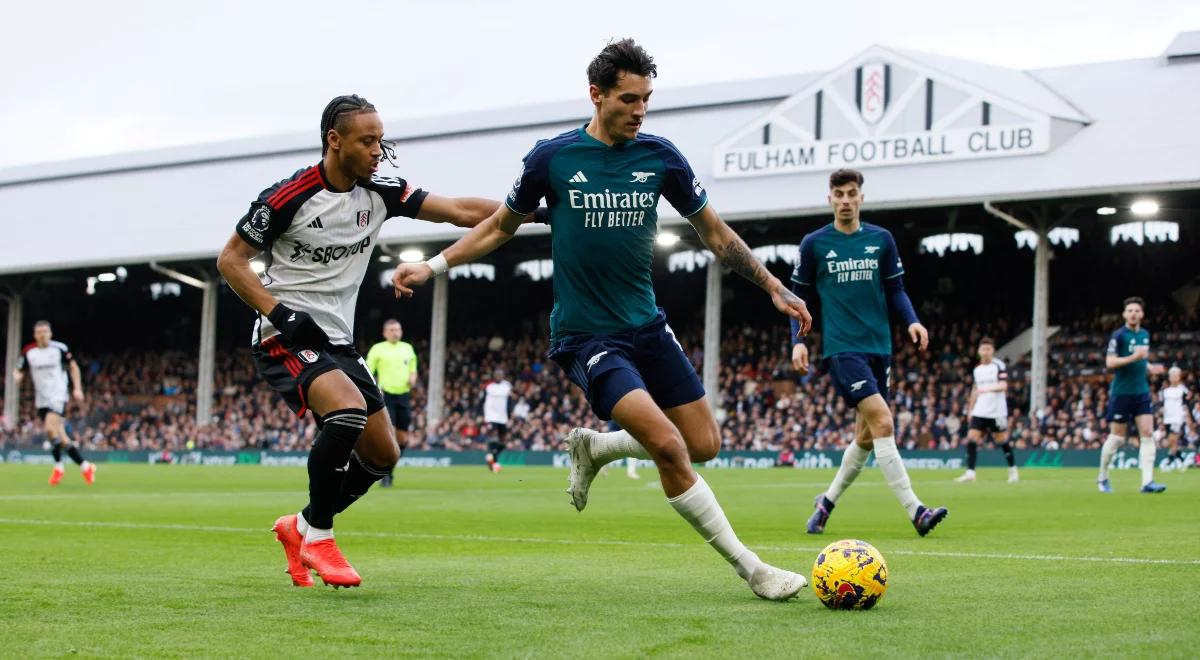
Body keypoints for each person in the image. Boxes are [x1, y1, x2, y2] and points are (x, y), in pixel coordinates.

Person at [394, 39, 813, 601]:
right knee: (666, 444)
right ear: (596, 95)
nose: (640, 110)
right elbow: (499, 226)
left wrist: (773, 287)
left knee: (703, 442)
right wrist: (435, 265)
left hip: (648, 326)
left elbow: (715, 234)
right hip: (587, 336)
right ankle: (753, 569)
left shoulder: (661, 158)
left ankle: (599, 447)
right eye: (628, 98)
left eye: (646, 99)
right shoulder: (552, 159)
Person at [216, 93, 500, 588]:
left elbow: (457, 209)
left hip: (340, 343)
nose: (377, 151)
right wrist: (278, 312)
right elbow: (230, 261)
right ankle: (320, 538)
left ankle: (299, 526)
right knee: (346, 412)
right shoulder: (288, 197)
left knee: (383, 455)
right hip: (286, 334)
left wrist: (534, 212)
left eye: (380, 140)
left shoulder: (382, 191)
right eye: (367, 141)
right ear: (335, 140)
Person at [791, 168, 948, 537]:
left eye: (851, 193)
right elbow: (797, 299)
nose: (845, 200)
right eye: (839, 194)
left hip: (880, 347)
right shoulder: (814, 243)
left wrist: (912, 320)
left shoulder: (882, 240)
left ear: (861, 197)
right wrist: (797, 341)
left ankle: (825, 503)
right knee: (883, 422)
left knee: (865, 436)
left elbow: (896, 289)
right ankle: (917, 511)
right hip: (842, 349)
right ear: (829, 198)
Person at [1096, 297, 1167, 493]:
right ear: (1124, 314)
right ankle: (1102, 477)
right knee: (1117, 438)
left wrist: (1150, 367)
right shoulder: (1118, 336)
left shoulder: (1145, 334)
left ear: (1142, 314)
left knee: (1147, 434)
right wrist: (1134, 357)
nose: (1134, 313)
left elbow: (1142, 362)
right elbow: (1110, 362)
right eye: (1130, 310)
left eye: (1137, 310)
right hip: (1122, 392)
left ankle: (1147, 482)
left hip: (1141, 392)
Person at [12, 321, 95, 486]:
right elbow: (18, 368)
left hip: (58, 395)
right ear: (35, 335)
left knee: (50, 429)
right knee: (62, 438)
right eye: (39, 332)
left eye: (45, 331)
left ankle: (58, 468)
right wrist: (17, 376)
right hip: (41, 398)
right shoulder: (29, 352)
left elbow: (73, 367)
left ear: (50, 333)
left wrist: (77, 388)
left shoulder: (59, 349)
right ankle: (86, 466)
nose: (42, 335)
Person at [955, 337, 1018, 483]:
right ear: (979, 351)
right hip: (980, 410)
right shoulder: (977, 370)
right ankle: (970, 473)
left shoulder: (999, 366)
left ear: (993, 351)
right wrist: (970, 410)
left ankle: (1012, 469)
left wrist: (986, 389)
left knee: (1001, 440)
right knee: (971, 438)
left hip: (997, 411)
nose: (986, 352)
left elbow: (1003, 386)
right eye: (983, 349)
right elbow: (975, 389)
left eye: (988, 349)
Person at [365, 319, 417, 487]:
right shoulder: (377, 349)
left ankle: (389, 469)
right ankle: (385, 473)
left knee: (403, 439)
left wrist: (413, 377)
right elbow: (367, 371)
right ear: (385, 332)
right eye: (392, 329)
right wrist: (374, 389)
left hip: (404, 396)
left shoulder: (407, 348)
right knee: (390, 435)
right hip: (385, 395)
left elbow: (413, 368)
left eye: (398, 329)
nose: (395, 332)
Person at [482, 368, 512, 472]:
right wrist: (480, 414)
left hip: (502, 418)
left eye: (501, 375)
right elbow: (482, 401)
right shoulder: (489, 387)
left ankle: (492, 456)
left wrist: (509, 416)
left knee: (503, 443)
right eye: (497, 375)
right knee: (493, 438)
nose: (499, 376)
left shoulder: (506, 386)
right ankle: (494, 462)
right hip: (491, 417)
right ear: (494, 376)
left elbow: (509, 401)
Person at [1160, 367, 1190, 471]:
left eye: (1176, 376)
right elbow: (1162, 405)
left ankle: (1168, 463)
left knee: (1173, 440)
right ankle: (1182, 461)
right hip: (1167, 418)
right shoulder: (1165, 391)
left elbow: (1186, 404)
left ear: (1179, 377)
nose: (1173, 378)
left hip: (1177, 418)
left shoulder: (1183, 390)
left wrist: (1187, 417)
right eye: (1172, 376)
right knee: (1171, 442)